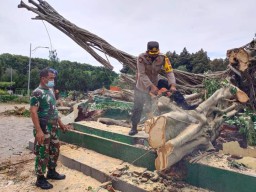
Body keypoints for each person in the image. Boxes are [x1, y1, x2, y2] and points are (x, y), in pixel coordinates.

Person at [129, 41, 196, 135]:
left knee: (167, 85)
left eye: (156, 54)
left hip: (155, 82)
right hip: (142, 86)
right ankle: (134, 127)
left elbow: (169, 72)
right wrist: (151, 87)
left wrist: (172, 85)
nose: (154, 56)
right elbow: (142, 74)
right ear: (147, 51)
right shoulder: (141, 58)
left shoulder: (163, 57)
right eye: (152, 54)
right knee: (138, 107)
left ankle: (185, 106)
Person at [30, 68, 69, 189]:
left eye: (53, 78)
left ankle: (51, 171)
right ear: (43, 79)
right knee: (43, 152)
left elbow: (54, 110)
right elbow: (33, 112)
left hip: (53, 127)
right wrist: (39, 131)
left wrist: (61, 123)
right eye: (51, 78)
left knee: (55, 149)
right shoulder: (37, 92)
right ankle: (40, 178)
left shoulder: (51, 91)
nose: (53, 80)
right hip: (43, 127)